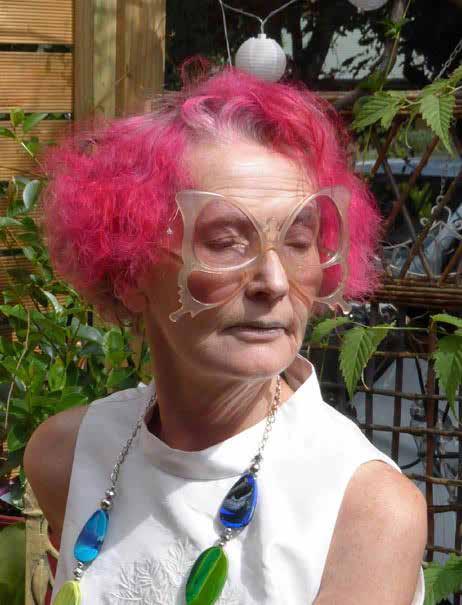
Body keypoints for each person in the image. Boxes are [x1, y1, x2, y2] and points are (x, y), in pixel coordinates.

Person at [24, 63, 427, 605]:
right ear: (129, 275)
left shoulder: (362, 510)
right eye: (225, 241)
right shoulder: (67, 457)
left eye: (299, 240)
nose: (274, 282)